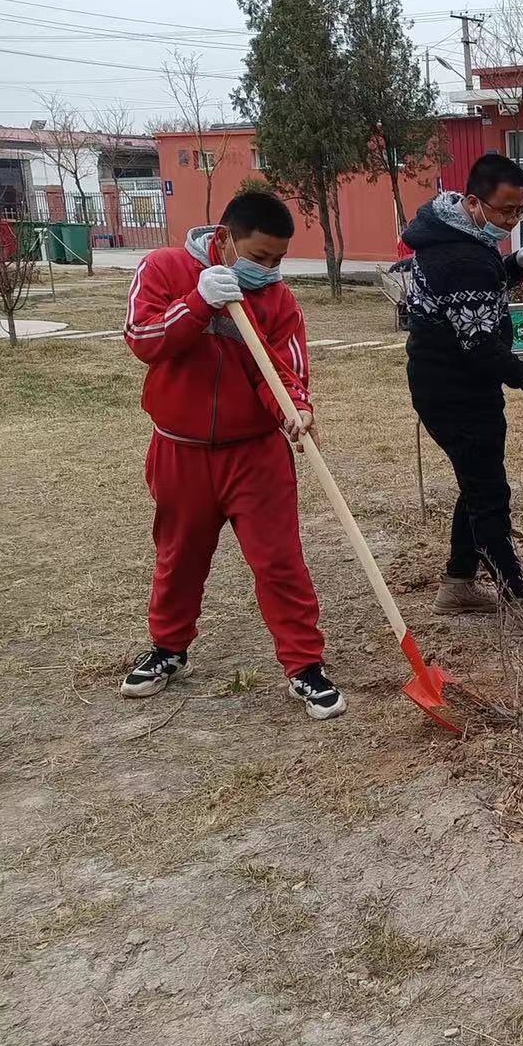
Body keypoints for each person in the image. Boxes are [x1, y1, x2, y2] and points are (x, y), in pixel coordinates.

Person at [120, 191, 344, 719]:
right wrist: (198, 303)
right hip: (182, 450)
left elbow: (283, 371)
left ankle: (304, 666)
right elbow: (143, 338)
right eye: (259, 257)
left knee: (279, 560)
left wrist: (297, 410)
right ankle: (168, 648)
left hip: (256, 454)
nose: (268, 270)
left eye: (278, 260)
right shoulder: (165, 268)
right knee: (180, 554)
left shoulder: (277, 300)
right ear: (224, 239)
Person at [403, 153, 523, 611]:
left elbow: (478, 286)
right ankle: (512, 589)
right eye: (505, 211)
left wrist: (513, 264)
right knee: (488, 491)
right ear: (474, 202)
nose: (512, 220)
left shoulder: (455, 231)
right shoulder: (460, 255)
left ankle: (457, 584)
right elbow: (479, 346)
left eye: (520, 211)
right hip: (453, 387)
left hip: (452, 381)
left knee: (476, 482)